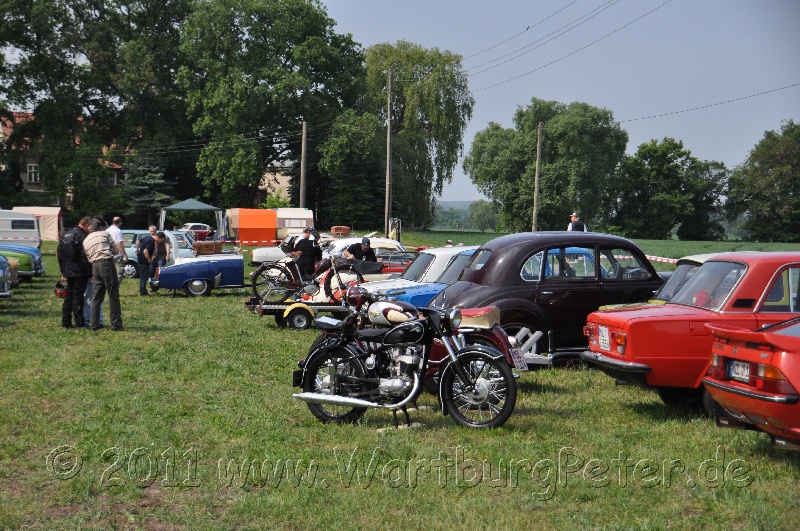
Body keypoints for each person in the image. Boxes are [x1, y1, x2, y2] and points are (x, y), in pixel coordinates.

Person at [83, 218, 123, 331]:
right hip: (106, 264)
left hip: (95, 266)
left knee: (97, 296)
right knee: (113, 294)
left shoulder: (86, 240)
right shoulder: (105, 234)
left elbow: (88, 257)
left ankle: (94, 324)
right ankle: (116, 324)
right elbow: (116, 250)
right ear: (100, 227)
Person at [57, 216, 92, 329]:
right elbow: (84, 255)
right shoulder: (82, 235)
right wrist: (90, 272)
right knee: (78, 297)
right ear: (87, 225)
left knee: (69, 296)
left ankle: (66, 323)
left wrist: (63, 271)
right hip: (79, 270)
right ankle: (79, 323)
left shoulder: (65, 234)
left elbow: (59, 254)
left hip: (67, 269)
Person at [136, 229, 158, 296]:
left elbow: (138, 241)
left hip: (140, 258)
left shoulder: (147, 237)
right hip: (144, 260)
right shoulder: (151, 241)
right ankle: (143, 292)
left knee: (143, 276)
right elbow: (145, 251)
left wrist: (137, 250)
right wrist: (149, 259)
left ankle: (143, 290)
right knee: (144, 277)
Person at [107, 216, 127, 283]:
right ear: (119, 223)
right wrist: (125, 255)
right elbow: (120, 244)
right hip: (118, 255)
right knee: (119, 273)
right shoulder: (118, 231)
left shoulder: (107, 230)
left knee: (111, 273)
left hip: (109, 254)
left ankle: (110, 287)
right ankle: (115, 289)